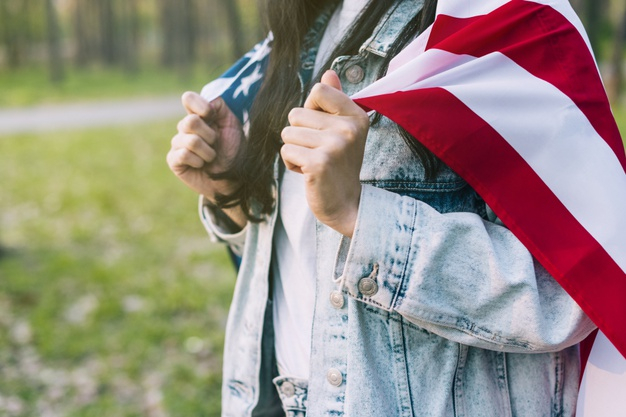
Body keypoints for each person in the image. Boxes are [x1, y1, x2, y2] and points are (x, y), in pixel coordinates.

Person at [167, 0, 596, 415]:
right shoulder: (298, 36)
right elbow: (302, 258)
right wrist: (232, 192)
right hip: (281, 396)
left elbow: (572, 294)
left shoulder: (511, 19)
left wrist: (360, 215)